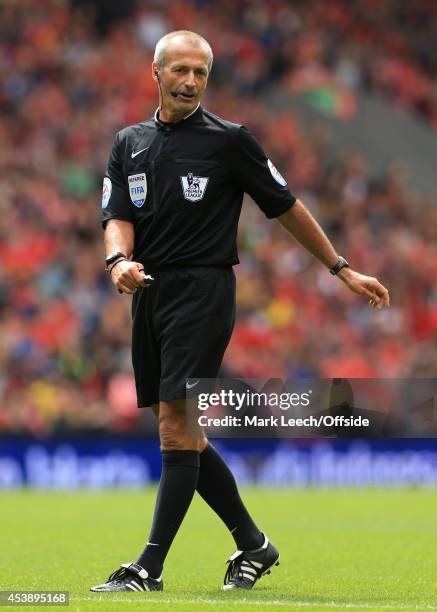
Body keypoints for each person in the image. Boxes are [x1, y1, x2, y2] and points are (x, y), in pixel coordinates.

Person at [91, 30, 390, 594]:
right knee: (179, 431)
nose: (190, 82)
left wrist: (341, 268)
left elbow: (287, 206)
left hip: (203, 294)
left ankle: (147, 569)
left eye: (201, 72)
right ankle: (254, 544)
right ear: (154, 73)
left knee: (178, 429)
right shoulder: (127, 142)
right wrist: (117, 262)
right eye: (179, 70)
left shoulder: (230, 141)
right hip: (148, 292)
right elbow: (117, 214)